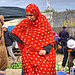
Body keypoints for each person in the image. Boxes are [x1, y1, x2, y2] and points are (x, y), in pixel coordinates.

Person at [11, 4, 57, 75]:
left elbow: (50, 40)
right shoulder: (25, 22)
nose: (29, 18)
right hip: (28, 55)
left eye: (31, 15)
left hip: (42, 54)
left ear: (36, 13)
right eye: (27, 15)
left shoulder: (44, 23)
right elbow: (12, 33)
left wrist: (45, 50)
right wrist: (24, 40)